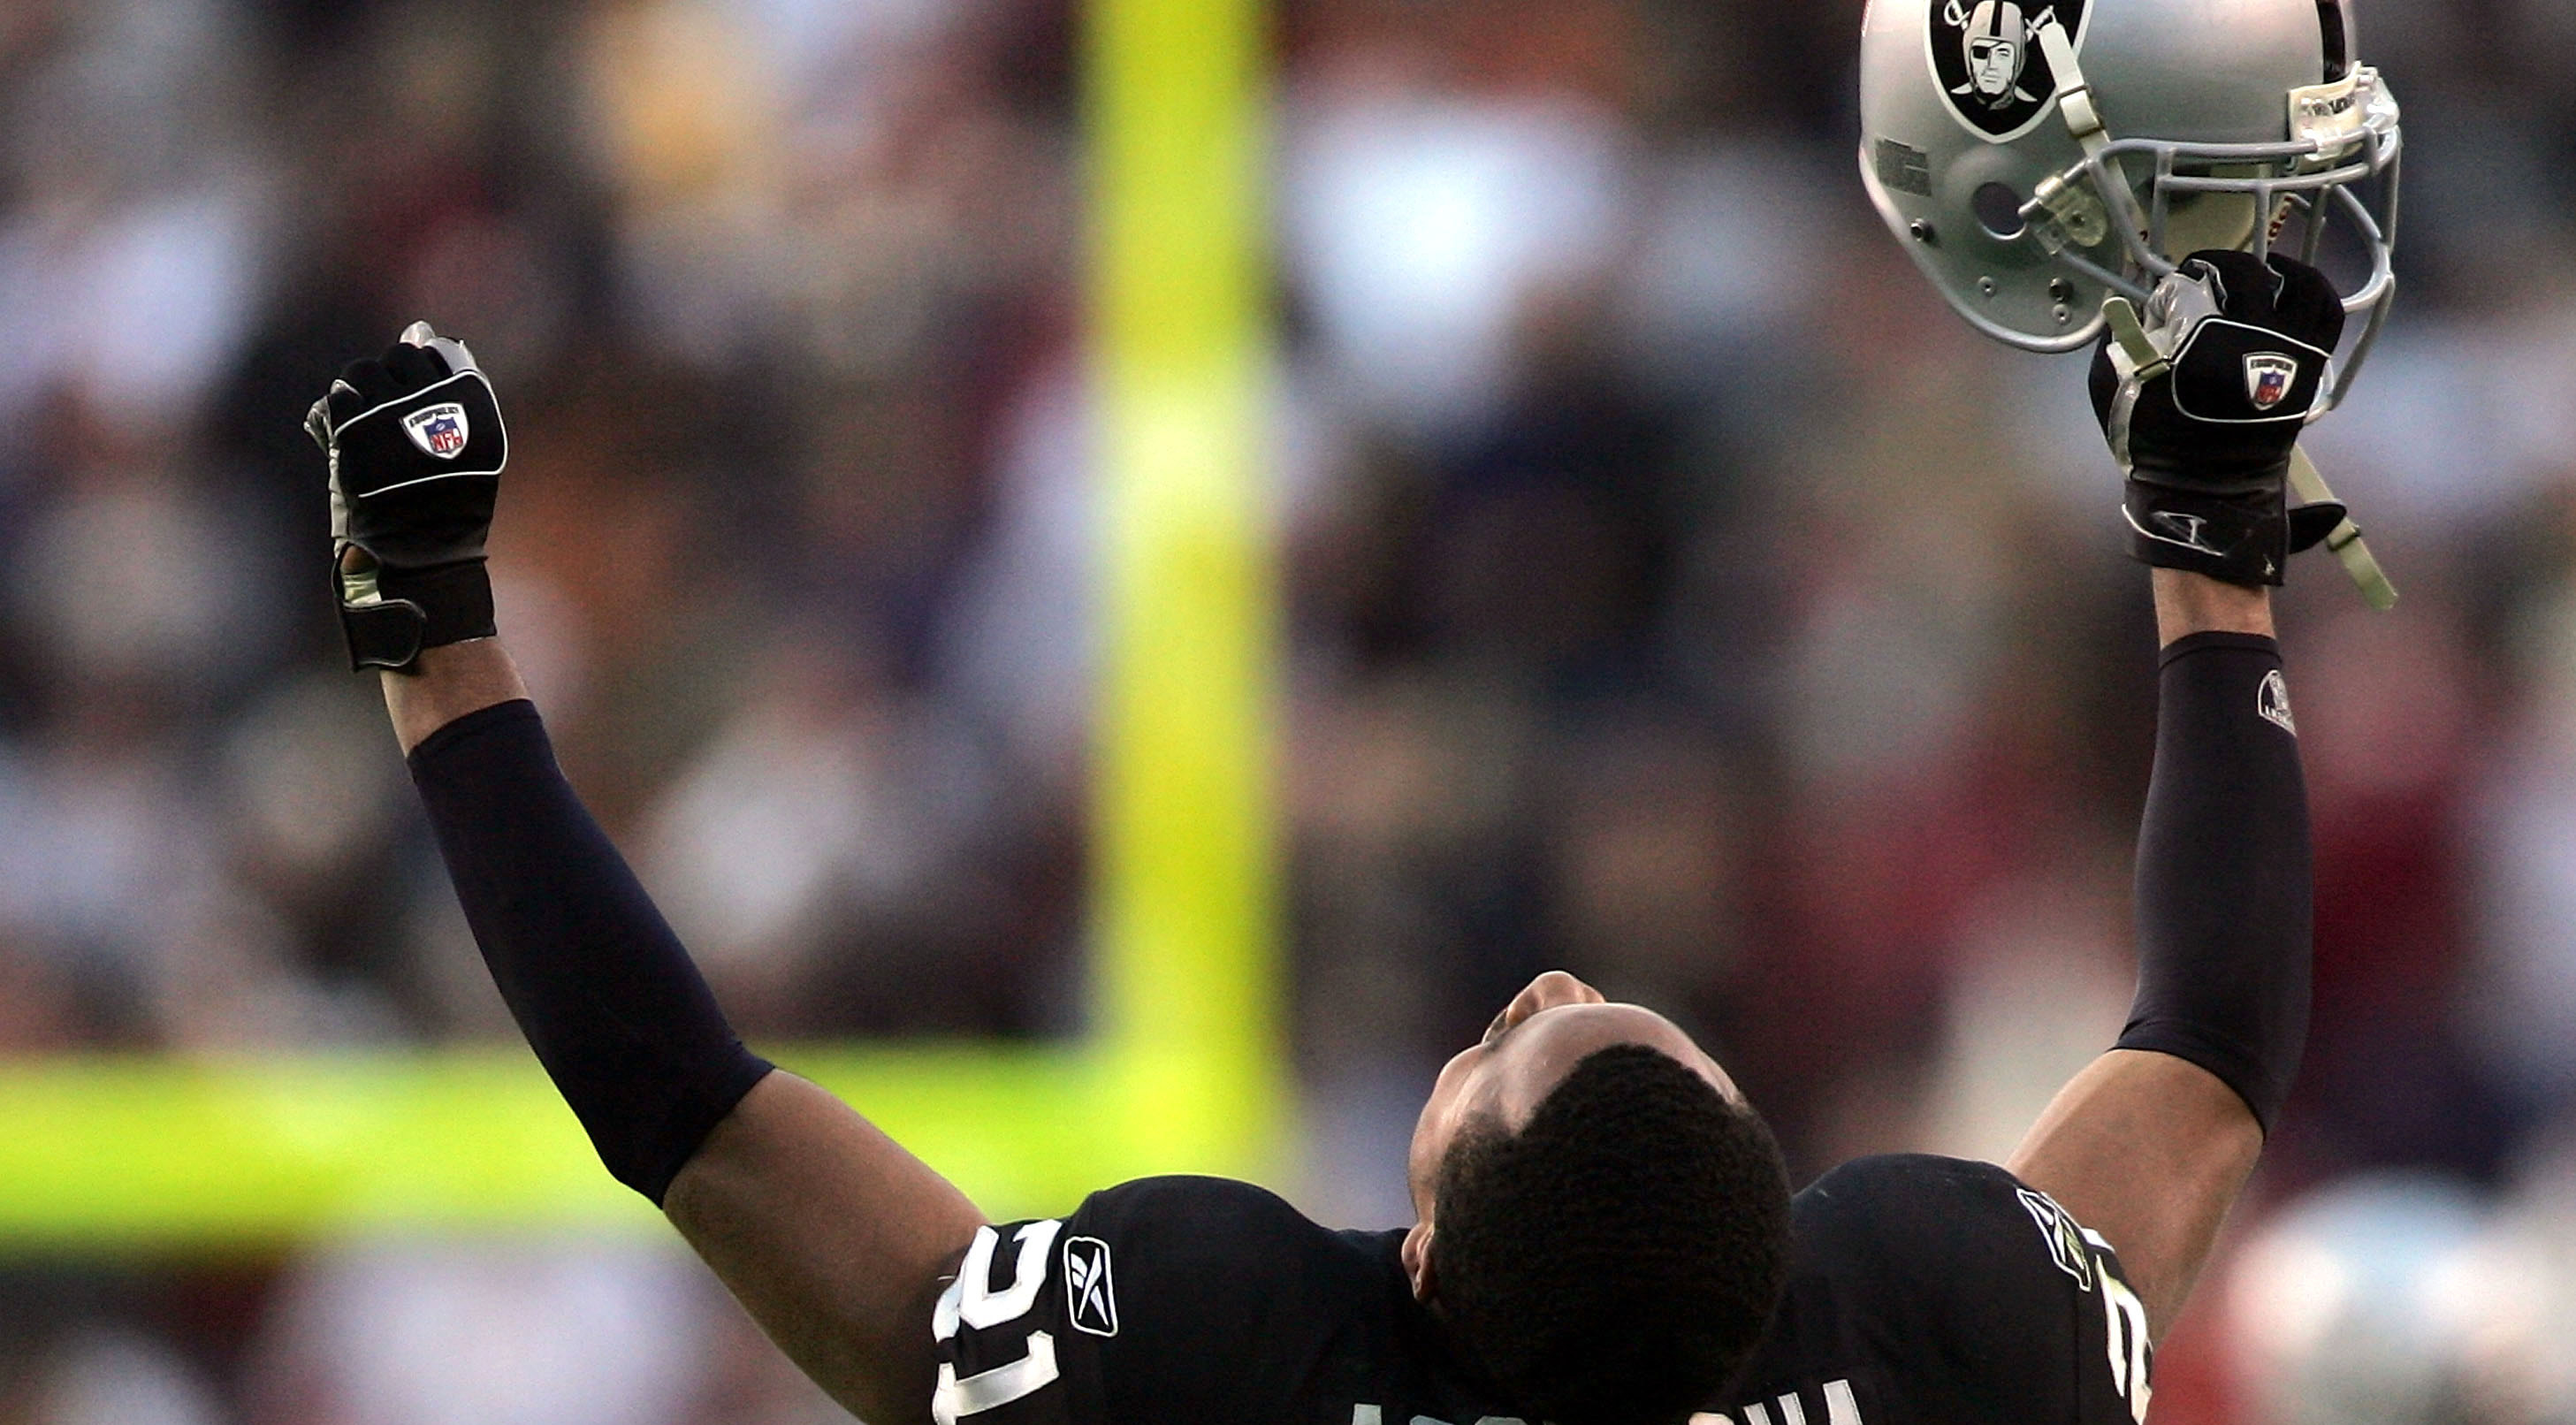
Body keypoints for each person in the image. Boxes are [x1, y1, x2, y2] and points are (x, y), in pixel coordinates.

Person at [305, 240, 2330, 1424]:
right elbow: (2208, 1067)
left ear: (1426, 1241)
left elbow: (696, 1117)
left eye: (1504, 1048)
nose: (1542, 978)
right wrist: (2212, 555)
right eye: (1614, 1015)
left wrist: (435, 649)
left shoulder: (1223, 1340)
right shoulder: (1933, 1310)